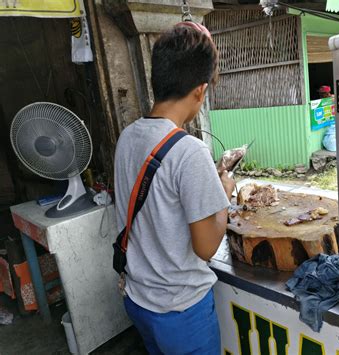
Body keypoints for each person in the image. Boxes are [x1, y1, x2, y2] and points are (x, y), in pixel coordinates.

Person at [114, 22, 235, 355]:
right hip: (181, 312)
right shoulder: (189, 150)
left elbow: (155, 206)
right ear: (200, 90)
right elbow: (206, 247)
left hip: (138, 300)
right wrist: (223, 193)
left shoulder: (128, 137)